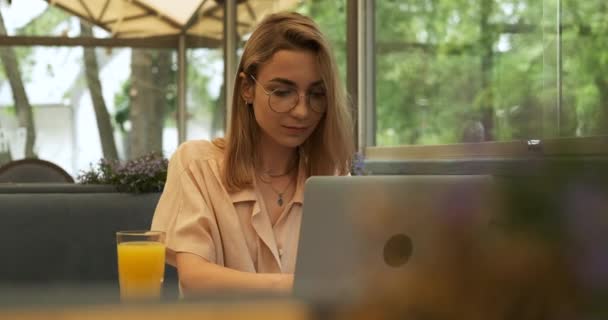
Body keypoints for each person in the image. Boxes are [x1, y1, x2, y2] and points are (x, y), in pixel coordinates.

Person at [151, 12, 354, 295]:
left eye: (317, 95)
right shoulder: (196, 165)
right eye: (282, 92)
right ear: (247, 88)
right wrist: (300, 286)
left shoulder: (331, 180)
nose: (302, 111)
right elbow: (195, 277)